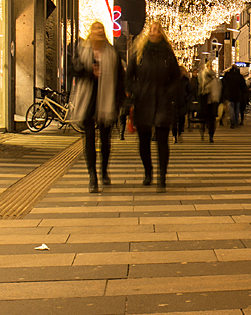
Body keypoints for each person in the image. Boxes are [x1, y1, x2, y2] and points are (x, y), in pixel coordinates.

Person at [69, 21, 124, 193]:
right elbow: (72, 69)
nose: (98, 31)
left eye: (101, 29)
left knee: (105, 140)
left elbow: (120, 78)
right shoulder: (81, 49)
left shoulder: (112, 52)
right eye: (95, 29)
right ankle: (92, 176)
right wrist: (88, 71)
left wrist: (120, 101)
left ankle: (104, 170)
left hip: (107, 100)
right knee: (90, 139)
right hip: (88, 100)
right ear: (90, 32)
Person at [127, 21, 181, 191]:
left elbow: (176, 77)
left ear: (161, 34)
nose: (154, 32)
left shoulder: (167, 54)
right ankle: (148, 171)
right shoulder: (139, 53)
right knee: (144, 141)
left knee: (162, 141)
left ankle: (162, 177)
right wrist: (137, 90)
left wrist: (169, 93)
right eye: (151, 29)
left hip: (163, 102)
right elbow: (128, 77)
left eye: (157, 30)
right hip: (143, 101)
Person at [198, 63, 221, 142]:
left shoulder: (214, 77)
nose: (211, 67)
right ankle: (205, 133)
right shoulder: (203, 76)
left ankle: (210, 135)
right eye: (210, 66)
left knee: (211, 119)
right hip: (206, 99)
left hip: (211, 100)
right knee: (207, 118)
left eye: (212, 66)